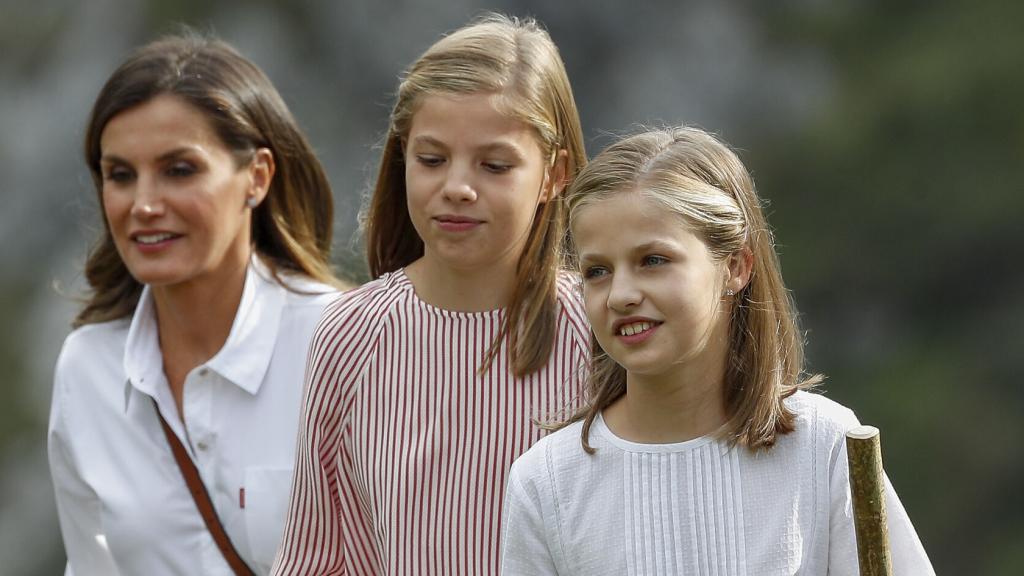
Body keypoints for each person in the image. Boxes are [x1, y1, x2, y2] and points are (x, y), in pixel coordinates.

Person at [500, 126, 935, 574]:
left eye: (653, 260)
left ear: (734, 266)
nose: (621, 295)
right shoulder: (547, 481)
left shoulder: (824, 445)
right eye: (597, 271)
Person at [272, 14, 589, 575]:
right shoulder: (350, 332)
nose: (457, 188)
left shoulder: (599, 331)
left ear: (553, 175)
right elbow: (316, 553)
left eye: (495, 165)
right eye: (431, 159)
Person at [48, 31, 345, 575]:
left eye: (179, 169)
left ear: (256, 177)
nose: (143, 204)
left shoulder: (343, 341)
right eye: (120, 175)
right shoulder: (87, 367)